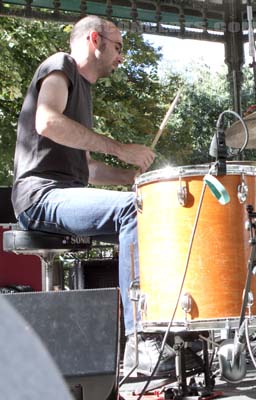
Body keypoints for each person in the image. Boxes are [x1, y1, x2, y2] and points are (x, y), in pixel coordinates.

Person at [11, 16, 177, 375]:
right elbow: (46, 122)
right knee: (133, 212)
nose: (121, 56)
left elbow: (86, 168)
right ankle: (140, 342)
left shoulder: (84, 91)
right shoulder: (61, 66)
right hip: (39, 196)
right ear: (94, 39)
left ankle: (168, 328)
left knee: (152, 217)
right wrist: (120, 148)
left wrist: (129, 176)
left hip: (65, 192)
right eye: (118, 46)